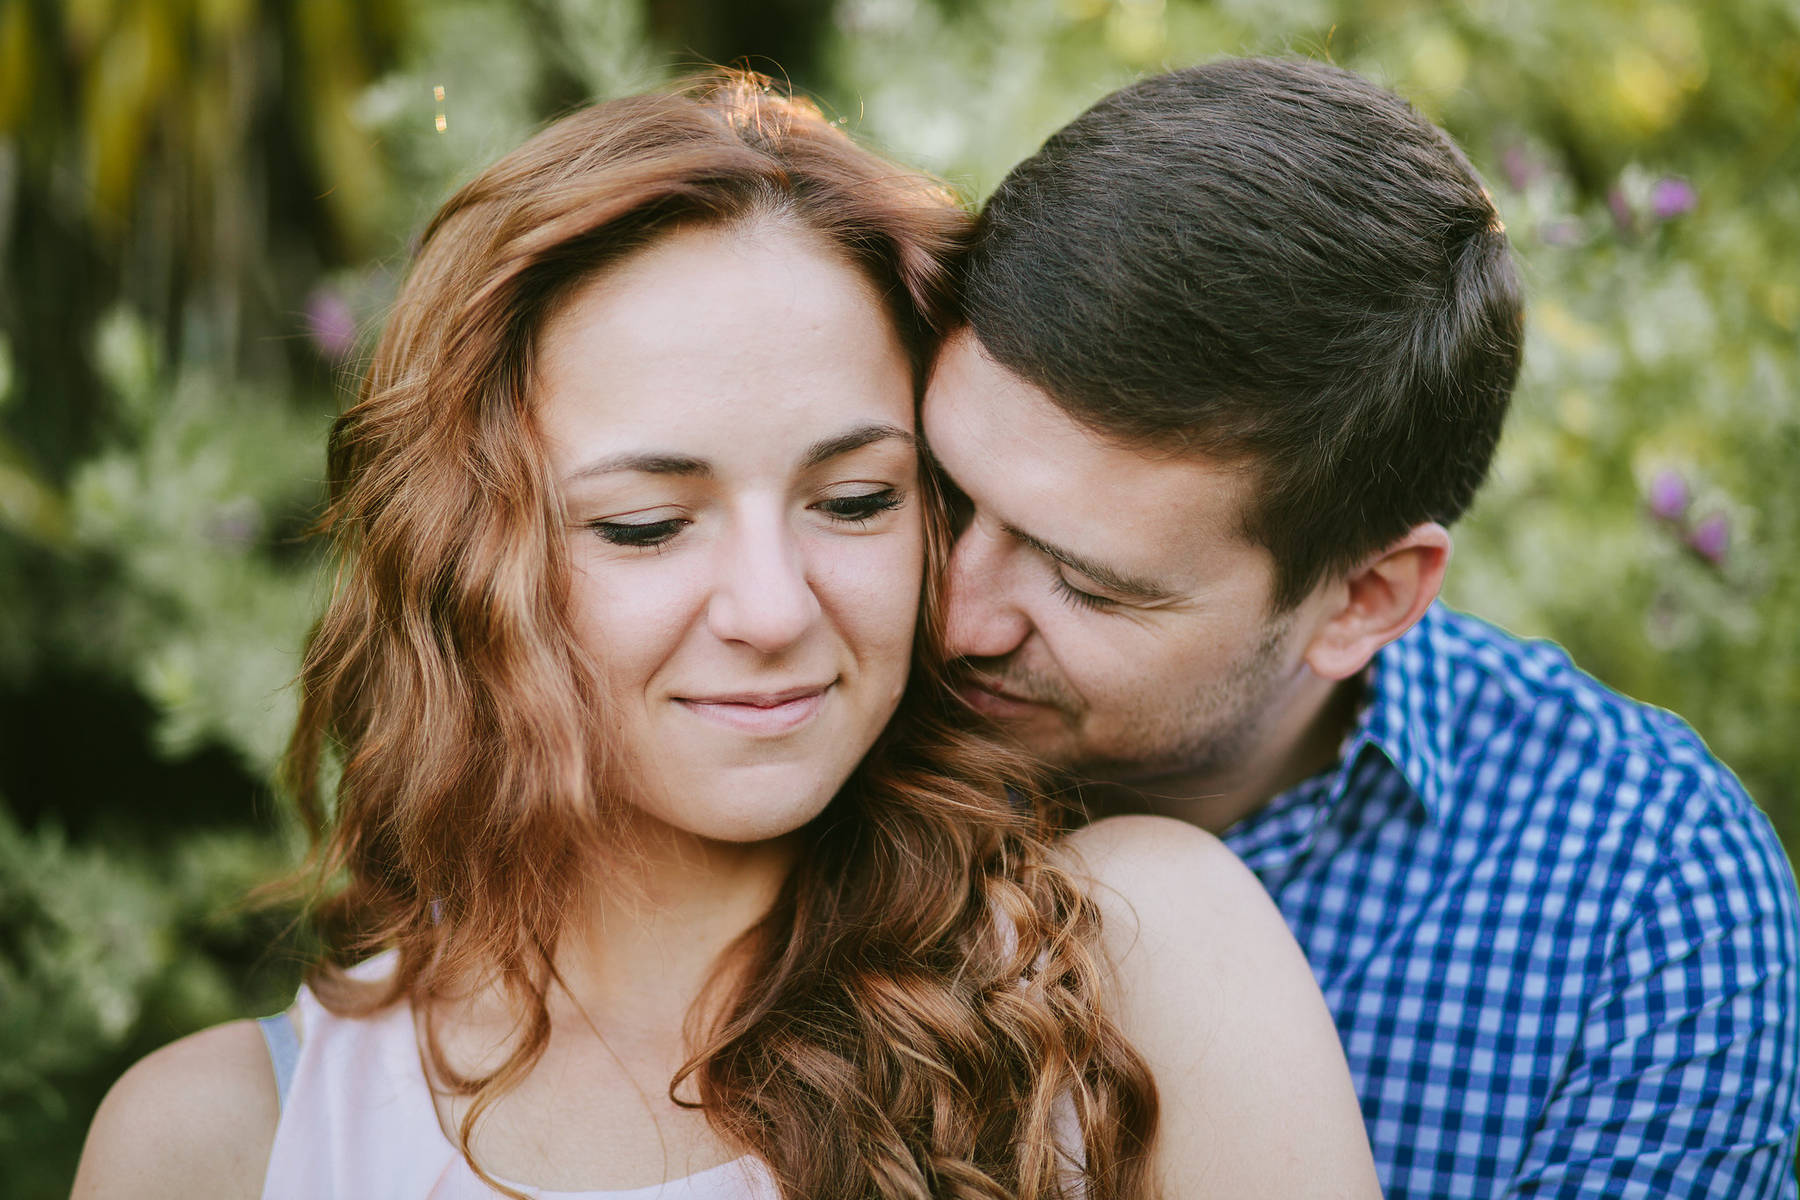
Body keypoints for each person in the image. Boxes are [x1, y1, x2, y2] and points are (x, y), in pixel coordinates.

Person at [71, 77, 1381, 1199]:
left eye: (856, 502)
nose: (772, 610)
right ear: (468, 559)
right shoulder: (220, 1142)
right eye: (646, 525)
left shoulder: (1133, 962)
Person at [922, 55, 1800, 1200]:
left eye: (1090, 586)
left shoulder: (1644, 894)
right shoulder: (793, 715)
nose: (952, 618)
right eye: (935, 496)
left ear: (1365, 598)